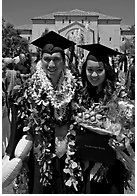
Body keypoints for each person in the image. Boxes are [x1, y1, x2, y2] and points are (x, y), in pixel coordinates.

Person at [2, 31, 83, 194]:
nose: (51, 65)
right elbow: (19, 124)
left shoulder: (75, 88)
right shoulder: (29, 88)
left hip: (67, 152)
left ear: (63, 61)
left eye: (56, 59)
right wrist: (11, 153)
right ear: (41, 59)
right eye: (47, 59)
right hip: (40, 153)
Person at [75, 43, 135, 193]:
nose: (94, 75)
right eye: (90, 70)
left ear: (106, 71)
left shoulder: (118, 97)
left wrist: (124, 141)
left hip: (110, 167)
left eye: (99, 70)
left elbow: (130, 128)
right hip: (85, 163)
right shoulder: (80, 95)